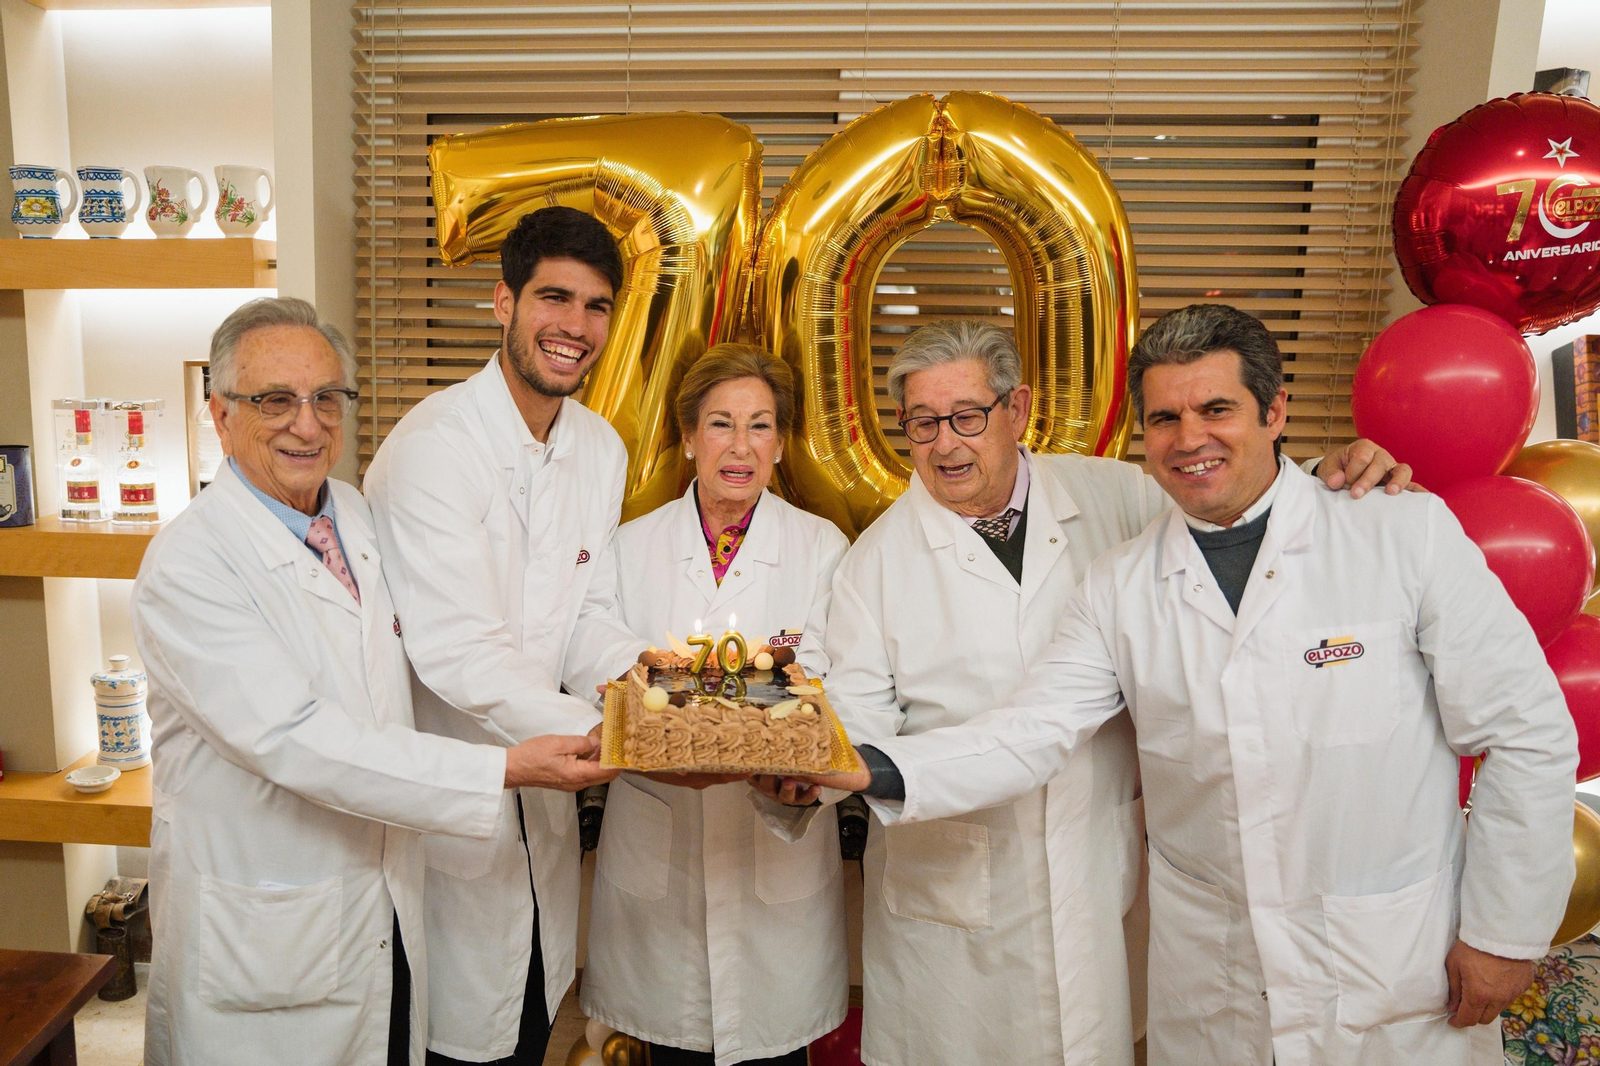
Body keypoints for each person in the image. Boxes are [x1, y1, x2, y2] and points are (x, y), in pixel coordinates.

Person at [785, 304, 1578, 1066]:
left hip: (1391, 954)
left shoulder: (1400, 532)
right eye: (1164, 420)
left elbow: (1526, 732)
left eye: (1217, 409)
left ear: (1276, 412)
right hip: (1214, 963)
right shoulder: (1122, 580)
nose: (1189, 439)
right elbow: (1032, 731)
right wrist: (865, 767)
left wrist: (1505, 932)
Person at [131, 297, 616, 1066]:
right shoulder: (189, 565)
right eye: (275, 401)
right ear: (219, 415)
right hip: (266, 931)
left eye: (327, 398)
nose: (308, 422)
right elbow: (299, 741)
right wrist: (505, 766)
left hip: (383, 908)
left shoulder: (352, 517)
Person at [365, 206, 650, 1066]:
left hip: (543, 814)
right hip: (453, 800)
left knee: (528, 1023)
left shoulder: (600, 448)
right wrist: (613, 733)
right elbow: (456, 651)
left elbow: (588, 612)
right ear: (503, 301)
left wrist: (645, 683)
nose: (574, 326)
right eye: (553, 298)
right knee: (451, 1036)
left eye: (596, 306)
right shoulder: (433, 447)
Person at [580, 343, 851, 1066]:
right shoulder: (628, 546)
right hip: (654, 838)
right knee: (665, 1044)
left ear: (781, 443)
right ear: (688, 436)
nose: (740, 446)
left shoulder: (821, 547)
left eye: (760, 426)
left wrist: (701, 704)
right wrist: (693, 689)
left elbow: (826, 668)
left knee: (774, 1049)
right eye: (721, 424)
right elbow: (593, 646)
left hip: (775, 841)